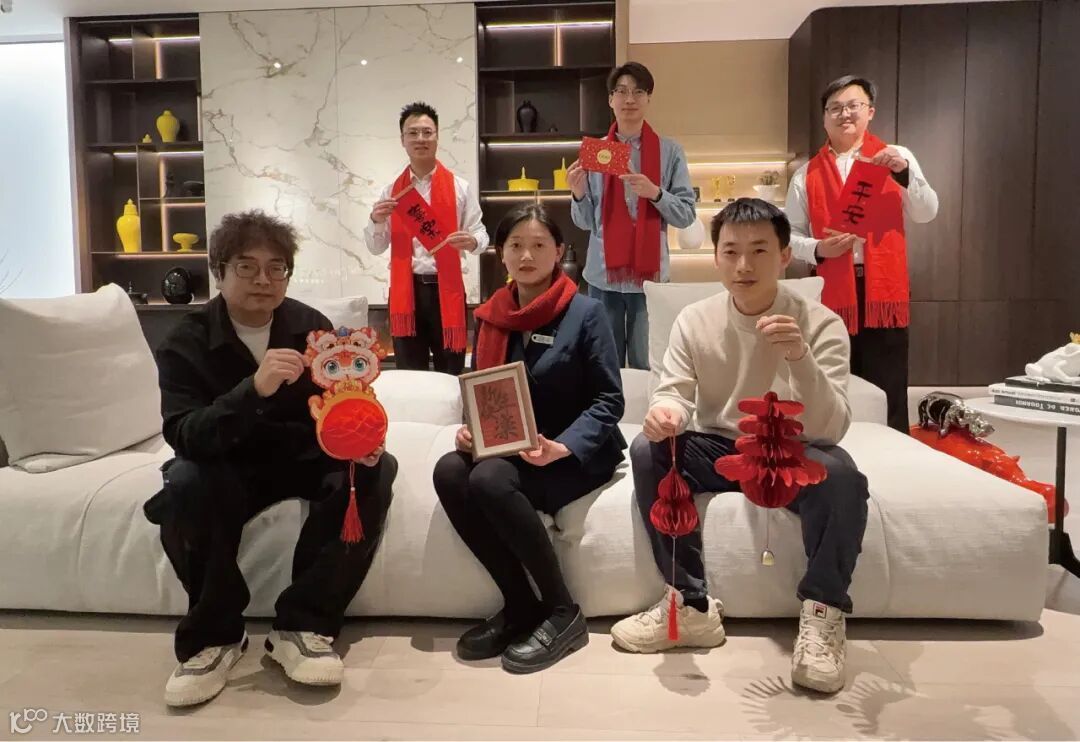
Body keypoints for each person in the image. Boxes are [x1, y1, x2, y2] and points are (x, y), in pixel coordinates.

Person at [612, 198, 870, 694]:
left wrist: (800, 358)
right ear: (716, 257)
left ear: (785, 255)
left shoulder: (820, 323)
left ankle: (823, 612)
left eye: (759, 250)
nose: (744, 265)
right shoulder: (694, 320)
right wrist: (667, 412)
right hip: (720, 447)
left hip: (791, 450)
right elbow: (673, 391)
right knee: (648, 449)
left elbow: (831, 428)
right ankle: (690, 605)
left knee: (841, 475)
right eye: (730, 251)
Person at [144, 210, 398, 707]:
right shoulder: (185, 341)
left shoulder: (309, 327)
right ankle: (215, 636)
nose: (263, 279)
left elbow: (336, 402)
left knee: (374, 469)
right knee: (186, 483)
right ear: (219, 271)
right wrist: (253, 390)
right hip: (227, 464)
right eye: (246, 266)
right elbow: (184, 434)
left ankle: (302, 627)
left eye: (276, 268)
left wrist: (357, 437)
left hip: (298, 457)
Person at [432, 204, 626, 673]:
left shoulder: (586, 313)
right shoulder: (492, 316)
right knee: (450, 470)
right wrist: (471, 429)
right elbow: (482, 388)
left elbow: (609, 400)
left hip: (574, 453)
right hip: (513, 448)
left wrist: (563, 446)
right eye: (515, 245)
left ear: (559, 252)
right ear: (500, 253)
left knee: (490, 479)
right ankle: (519, 604)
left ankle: (562, 611)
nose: (526, 255)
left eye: (539, 245)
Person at [785, 75, 939, 433]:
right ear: (824, 118)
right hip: (831, 290)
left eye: (853, 105)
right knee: (835, 379)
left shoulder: (895, 157)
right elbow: (789, 235)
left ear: (870, 111)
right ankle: (840, 445)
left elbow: (927, 211)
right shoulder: (806, 173)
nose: (844, 114)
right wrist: (819, 248)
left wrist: (904, 173)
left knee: (889, 382)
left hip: (883, 289)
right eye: (835, 108)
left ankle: (893, 447)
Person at [567, 61, 696, 370]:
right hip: (603, 275)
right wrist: (578, 194)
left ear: (648, 98)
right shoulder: (596, 152)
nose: (629, 99)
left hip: (649, 278)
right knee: (603, 363)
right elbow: (586, 223)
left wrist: (655, 193)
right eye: (621, 91)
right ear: (610, 99)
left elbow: (686, 215)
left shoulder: (669, 151)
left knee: (646, 362)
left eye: (638, 92)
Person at [364, 101, 489, 374]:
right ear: (402, 140)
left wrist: (472, 242)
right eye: (413, 133)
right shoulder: (392, 192)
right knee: (411, 374)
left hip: (447, 290)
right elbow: (376, 247)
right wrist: (376, 220)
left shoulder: (459, 187)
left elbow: (481, 233)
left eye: (427, 132)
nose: (420, 138)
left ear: (437, 137)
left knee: (451, 370)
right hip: (406, 292)